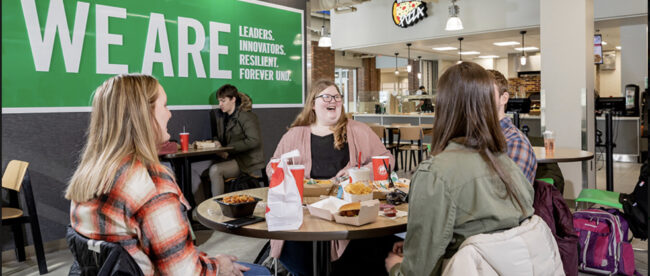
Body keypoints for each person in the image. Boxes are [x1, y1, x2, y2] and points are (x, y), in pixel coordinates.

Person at [65, 74, 268, 276]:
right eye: (164, 105)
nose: (170, 114)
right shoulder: (152, 183)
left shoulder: (87, 175)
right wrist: (219, 266)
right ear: (143, 114)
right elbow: (185, 272)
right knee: (259, 272)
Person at [385, 62, 535, 275]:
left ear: (444, 107)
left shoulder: (435, 173)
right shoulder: (508, 165)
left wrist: (395, 268)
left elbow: (417, 272)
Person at [268, 79, 396, 276]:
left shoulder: (359, 131)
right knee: (295, 253)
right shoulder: (295, 135)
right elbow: (272, 166)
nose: (333, 100)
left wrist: (361, 173)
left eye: (337, 96)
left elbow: (386, 160)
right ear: (313, 104)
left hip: (350, 214)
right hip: (305, 216)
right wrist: (285, 174)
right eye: (326, 96)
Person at [206, 84, 264, 196]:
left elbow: (254, 140)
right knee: (201, 171)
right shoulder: (222, 117)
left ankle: (217, 207)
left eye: (223, 101)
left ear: (233, 99)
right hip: (232, 158)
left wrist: (229, 150)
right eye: (219, 101)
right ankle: (203, 207)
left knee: (215, 170)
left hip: (247, 162)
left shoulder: (246, 116)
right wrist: (216, 141)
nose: (220, 105)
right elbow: (218, 136)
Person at [487, 69, 537, 184]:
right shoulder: (473, 138)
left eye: (488, 93)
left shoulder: (516, 143)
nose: (480, 99)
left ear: (504, 98)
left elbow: (509, 196)